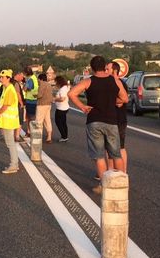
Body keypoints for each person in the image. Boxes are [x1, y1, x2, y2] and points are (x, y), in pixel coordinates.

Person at [67, 56, 128, 193]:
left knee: (99, 156)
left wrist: (82, 107)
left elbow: (72, 93)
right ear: (105, 67)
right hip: (112, 121)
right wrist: (116, 101)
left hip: (94, 120)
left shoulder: (88, 81)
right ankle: (122, 183)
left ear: (92, 68)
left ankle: (104, 185)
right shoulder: (114, 81)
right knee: (116, 154)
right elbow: (124, 98)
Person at [0, 69, 20, 174]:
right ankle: (14, 164)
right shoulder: (6, 88)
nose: (0, 79)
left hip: (9, 121)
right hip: (6, 121)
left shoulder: (10, 89)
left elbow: (5, 106)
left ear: (8, 78)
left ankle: (14, 165)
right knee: (10, 143)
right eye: (0, 77)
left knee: (10, 144)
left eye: (2, 77)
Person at [107, 61, 129, 173]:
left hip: (118, 119)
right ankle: (114, 171)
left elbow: (122, 101)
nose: (106, 71)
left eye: (107, 69)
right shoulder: (119, 83)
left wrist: (109, 101)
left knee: (118, 148)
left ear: (114, 70)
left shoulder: (119, 83)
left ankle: (120, 172)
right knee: (115, 148)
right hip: (115, 119)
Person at [35, 73, 53, 144]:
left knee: (39, 121)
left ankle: (38, 137)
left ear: (41, 79)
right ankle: (49, 137)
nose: (38, 81)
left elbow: (40, 95)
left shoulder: (42, 84)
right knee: (47, 120)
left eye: (38, 79)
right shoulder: (49, 84)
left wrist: (35, 95)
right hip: (48, 104)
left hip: (42, 105)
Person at [22, 66, 38, 137]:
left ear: (26, 73)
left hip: (30, 100)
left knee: (30, 117)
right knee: (32, 117)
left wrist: (24, 85)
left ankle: (30, 132)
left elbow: (25, 89)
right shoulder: (34, 78)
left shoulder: (30, 79)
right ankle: (31, 132)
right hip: (34, 99)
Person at [53, 76, 70, 142]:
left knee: (58, 122)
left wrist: (55, 99)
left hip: (61, 108)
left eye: (56, 82)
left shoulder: (63, 89)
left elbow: (62, 98)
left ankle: (64, 136)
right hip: (65, 107)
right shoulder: (66, 87)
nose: (56, 83)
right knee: (63, 123)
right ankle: (65, 136)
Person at [12, 70, 26, 142]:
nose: (22, 78)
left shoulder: (11, 82)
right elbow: (18, 94)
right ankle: (17, 136)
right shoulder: (16, 83)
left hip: (12, 104)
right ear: (18, 75)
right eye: (22, 76)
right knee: (19, 120)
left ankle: (14, 136)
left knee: (15, 120)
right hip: (17, 104)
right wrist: (21, 103)